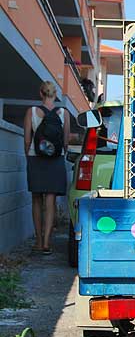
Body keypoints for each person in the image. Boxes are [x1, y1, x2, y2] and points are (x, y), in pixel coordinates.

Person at [23, 81, 70, 255]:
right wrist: (60, 154)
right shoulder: (63, 113)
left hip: (36, 158)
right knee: (50, 201)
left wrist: (28, 155)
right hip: (56, 160)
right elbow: (65, 142)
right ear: (55, 94)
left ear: (41, 93)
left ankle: (38, 240)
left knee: (36, 199)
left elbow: (27, 139)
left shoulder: (31, 112)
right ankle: (47, 243)